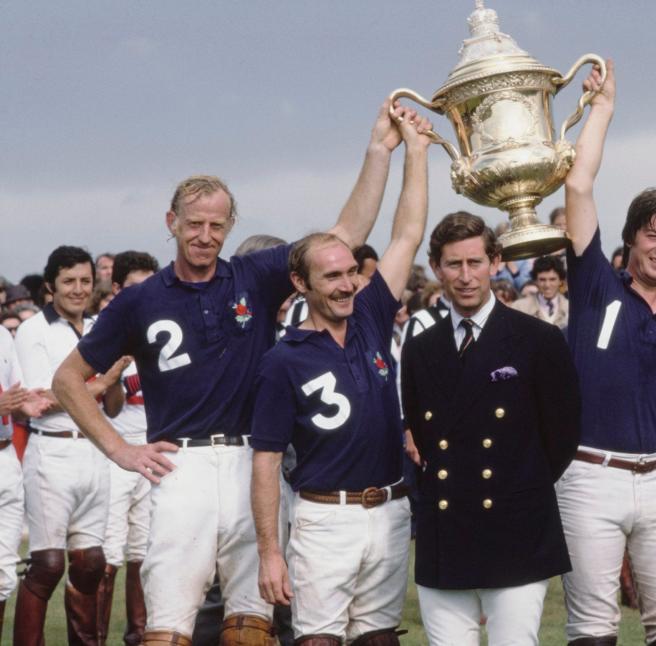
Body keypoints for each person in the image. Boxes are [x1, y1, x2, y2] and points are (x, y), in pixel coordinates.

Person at [51, 102, 409, 645]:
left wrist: (378, 150)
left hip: (249, 463)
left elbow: (344, 232)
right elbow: (67, 379)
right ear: (171, 223)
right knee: (168, 623)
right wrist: (119, 450)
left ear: (230, 227)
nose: (205, 235)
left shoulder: (255, 275)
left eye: (217, 225)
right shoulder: (139, 300)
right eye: (194, 223)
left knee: (252, 623)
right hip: (181, 465)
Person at [249, 107, 430, 645]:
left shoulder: (372, 315)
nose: (347, 284)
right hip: (325, 518)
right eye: (332, 275)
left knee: (380, 640)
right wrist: (269, 552)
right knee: (319, 641)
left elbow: (408, 234)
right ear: (300, 284)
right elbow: (266, 461)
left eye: (351, 272)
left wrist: (414, 154)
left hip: (391, 509)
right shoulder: (284, 358)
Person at [559, 59, 656, 645]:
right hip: (589, 476)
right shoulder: (595, 283)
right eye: (654, 233)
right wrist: (603, 110)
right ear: (630, 237)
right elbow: (577, 184)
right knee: (593, 629)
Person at [400, 212, 581, 645]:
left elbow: (561, 438)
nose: (465, 276)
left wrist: (515, 487)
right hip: (446, 533)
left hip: (516, 530)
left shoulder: (538, 340)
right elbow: (426, 439)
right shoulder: (421, 349)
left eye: (475, 263)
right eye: (454, 264)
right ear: (437, 267)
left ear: (495, 262)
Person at [13, 245, 128, 645]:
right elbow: (40, 400)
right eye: (68, 282)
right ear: (50, 286)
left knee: (91, 563)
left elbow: (113, 406)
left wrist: (113, 381)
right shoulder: (34, 331)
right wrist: (98, 383)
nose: (78, 290)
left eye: (84, 281)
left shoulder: (101, 326)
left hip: (94, 450)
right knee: (46, 564)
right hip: (53, 449)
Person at [95, 251, 160, 645]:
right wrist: (118, 378)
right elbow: (112, 407)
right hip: (116, 451)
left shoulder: (163, 328)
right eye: (135, 288)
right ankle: (95, 636)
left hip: (156, 450)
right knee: (109, 551)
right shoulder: (106, 331)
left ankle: (137, 634)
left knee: (145, 549)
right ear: (117, 289)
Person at [0, 324, 50, 642]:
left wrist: (24, 406)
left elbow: (14, 396)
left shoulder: (3, 335)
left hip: (5, 455)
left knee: (3, 574)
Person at [510, 254, 569, 332]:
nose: (547, 285)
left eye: (552, 279)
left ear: (560, 281)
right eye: (542, 280)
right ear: (535, 281)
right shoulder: (519, 308)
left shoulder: (570, 308)